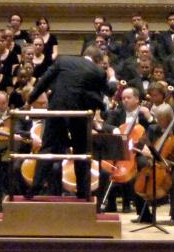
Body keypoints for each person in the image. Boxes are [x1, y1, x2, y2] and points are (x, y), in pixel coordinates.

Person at [25, 45, 110, 199]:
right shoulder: (98, 71)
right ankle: (83, 193)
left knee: (48, 149)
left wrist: (30, 100)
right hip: (79, 113)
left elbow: (44, 81)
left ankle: (34, 190)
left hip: (58, 109)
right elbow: (97, 96)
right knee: (81, 153)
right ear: (97, 60)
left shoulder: (63, 60)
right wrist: (103, 107)